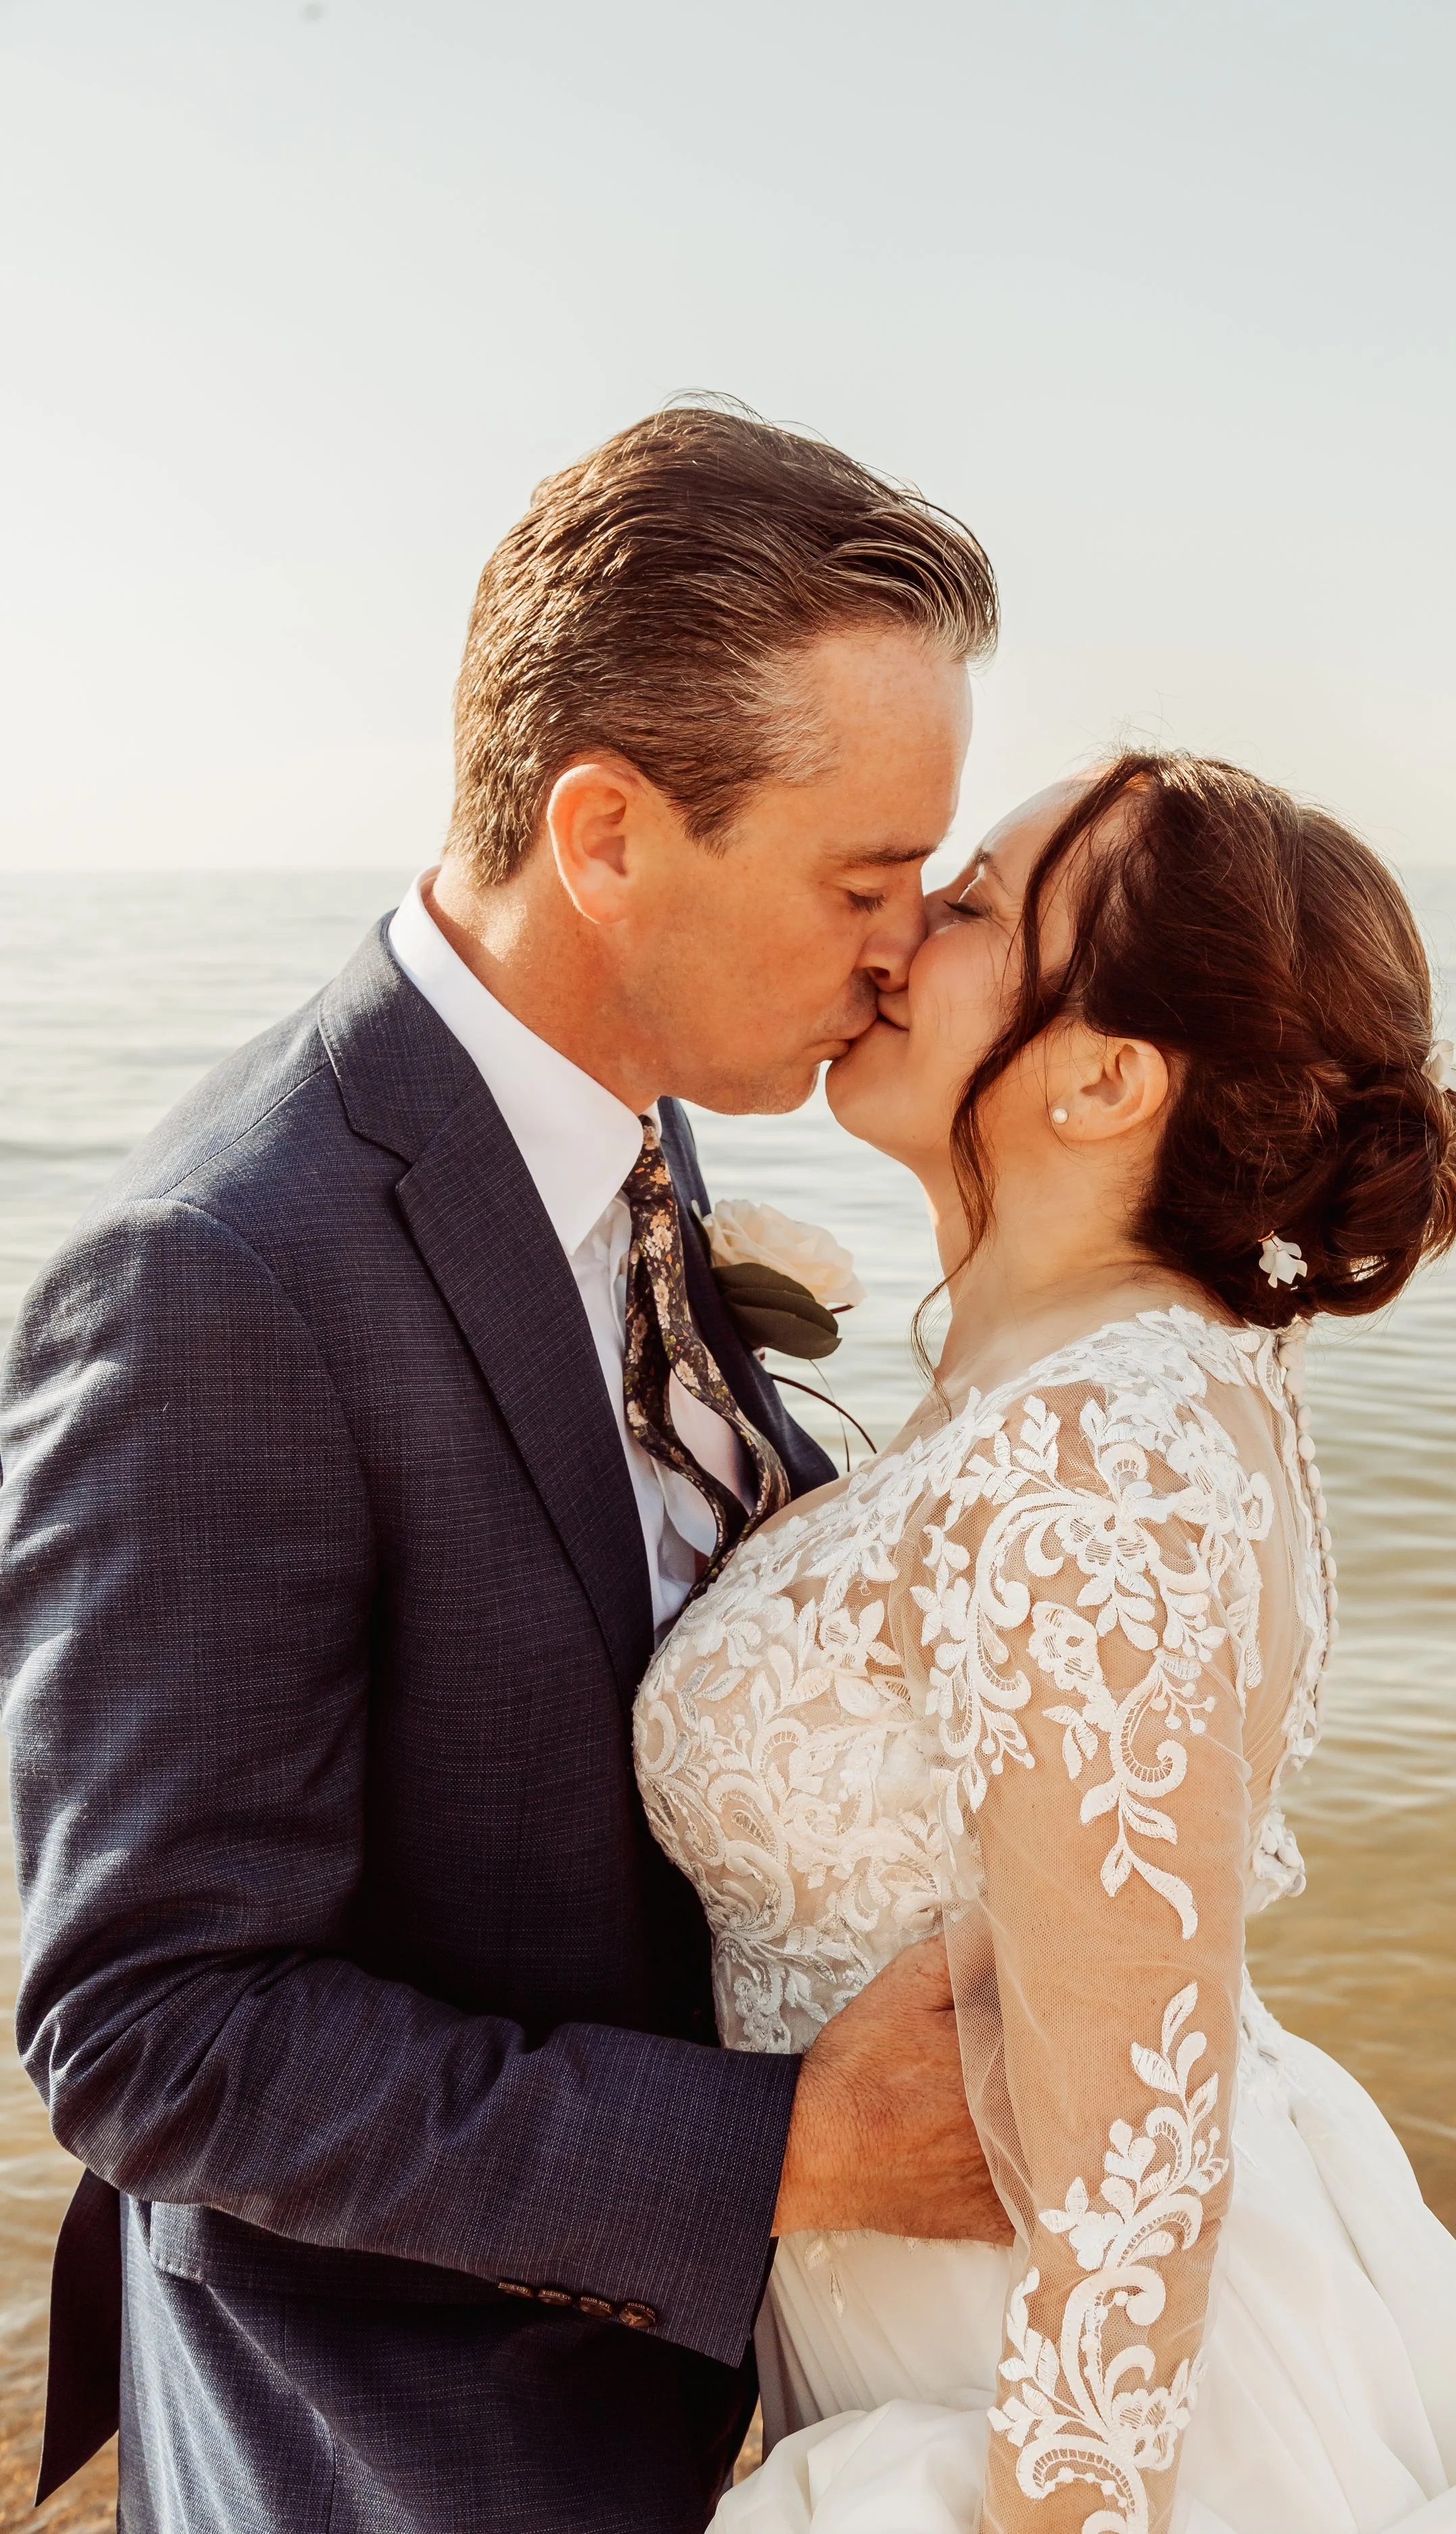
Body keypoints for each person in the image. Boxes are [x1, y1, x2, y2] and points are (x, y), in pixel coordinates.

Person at [0, 405, 1007, 2532]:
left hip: (700, 2399)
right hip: (394, 2444)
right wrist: (789, 2154)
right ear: (609, 831)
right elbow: (150, 2024)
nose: (904, 943)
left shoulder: (641, 1095)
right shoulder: (213, 1279)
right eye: (861, 875)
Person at [633, 753, 1456, 2533]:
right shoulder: (1097, 1388)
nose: (897, 925)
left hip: (1076, 2408)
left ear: (1099, 1075)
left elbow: (1125, 2181)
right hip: (917, 2328)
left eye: (972, 906)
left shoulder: (1099, 1452)